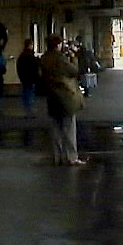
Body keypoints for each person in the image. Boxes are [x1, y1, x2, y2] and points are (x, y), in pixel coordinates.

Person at [41, 34, 85, 165]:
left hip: (51, 96)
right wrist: (73, 57)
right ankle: (71, 157)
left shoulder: (44, 58)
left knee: (55, 128)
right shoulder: (60, 59)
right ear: (58, 44)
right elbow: (74, 70)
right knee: (69, 127)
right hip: (64, 96)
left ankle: (57, 156)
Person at [16, 39, 40, 118]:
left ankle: (27, 110)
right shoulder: (30, 56)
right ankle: (30, 111)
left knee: (26, 94)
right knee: (30, 94)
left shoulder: (22, 55)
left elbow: (19, 67)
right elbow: (35, 67)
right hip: (31, 78)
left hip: (24, 78)